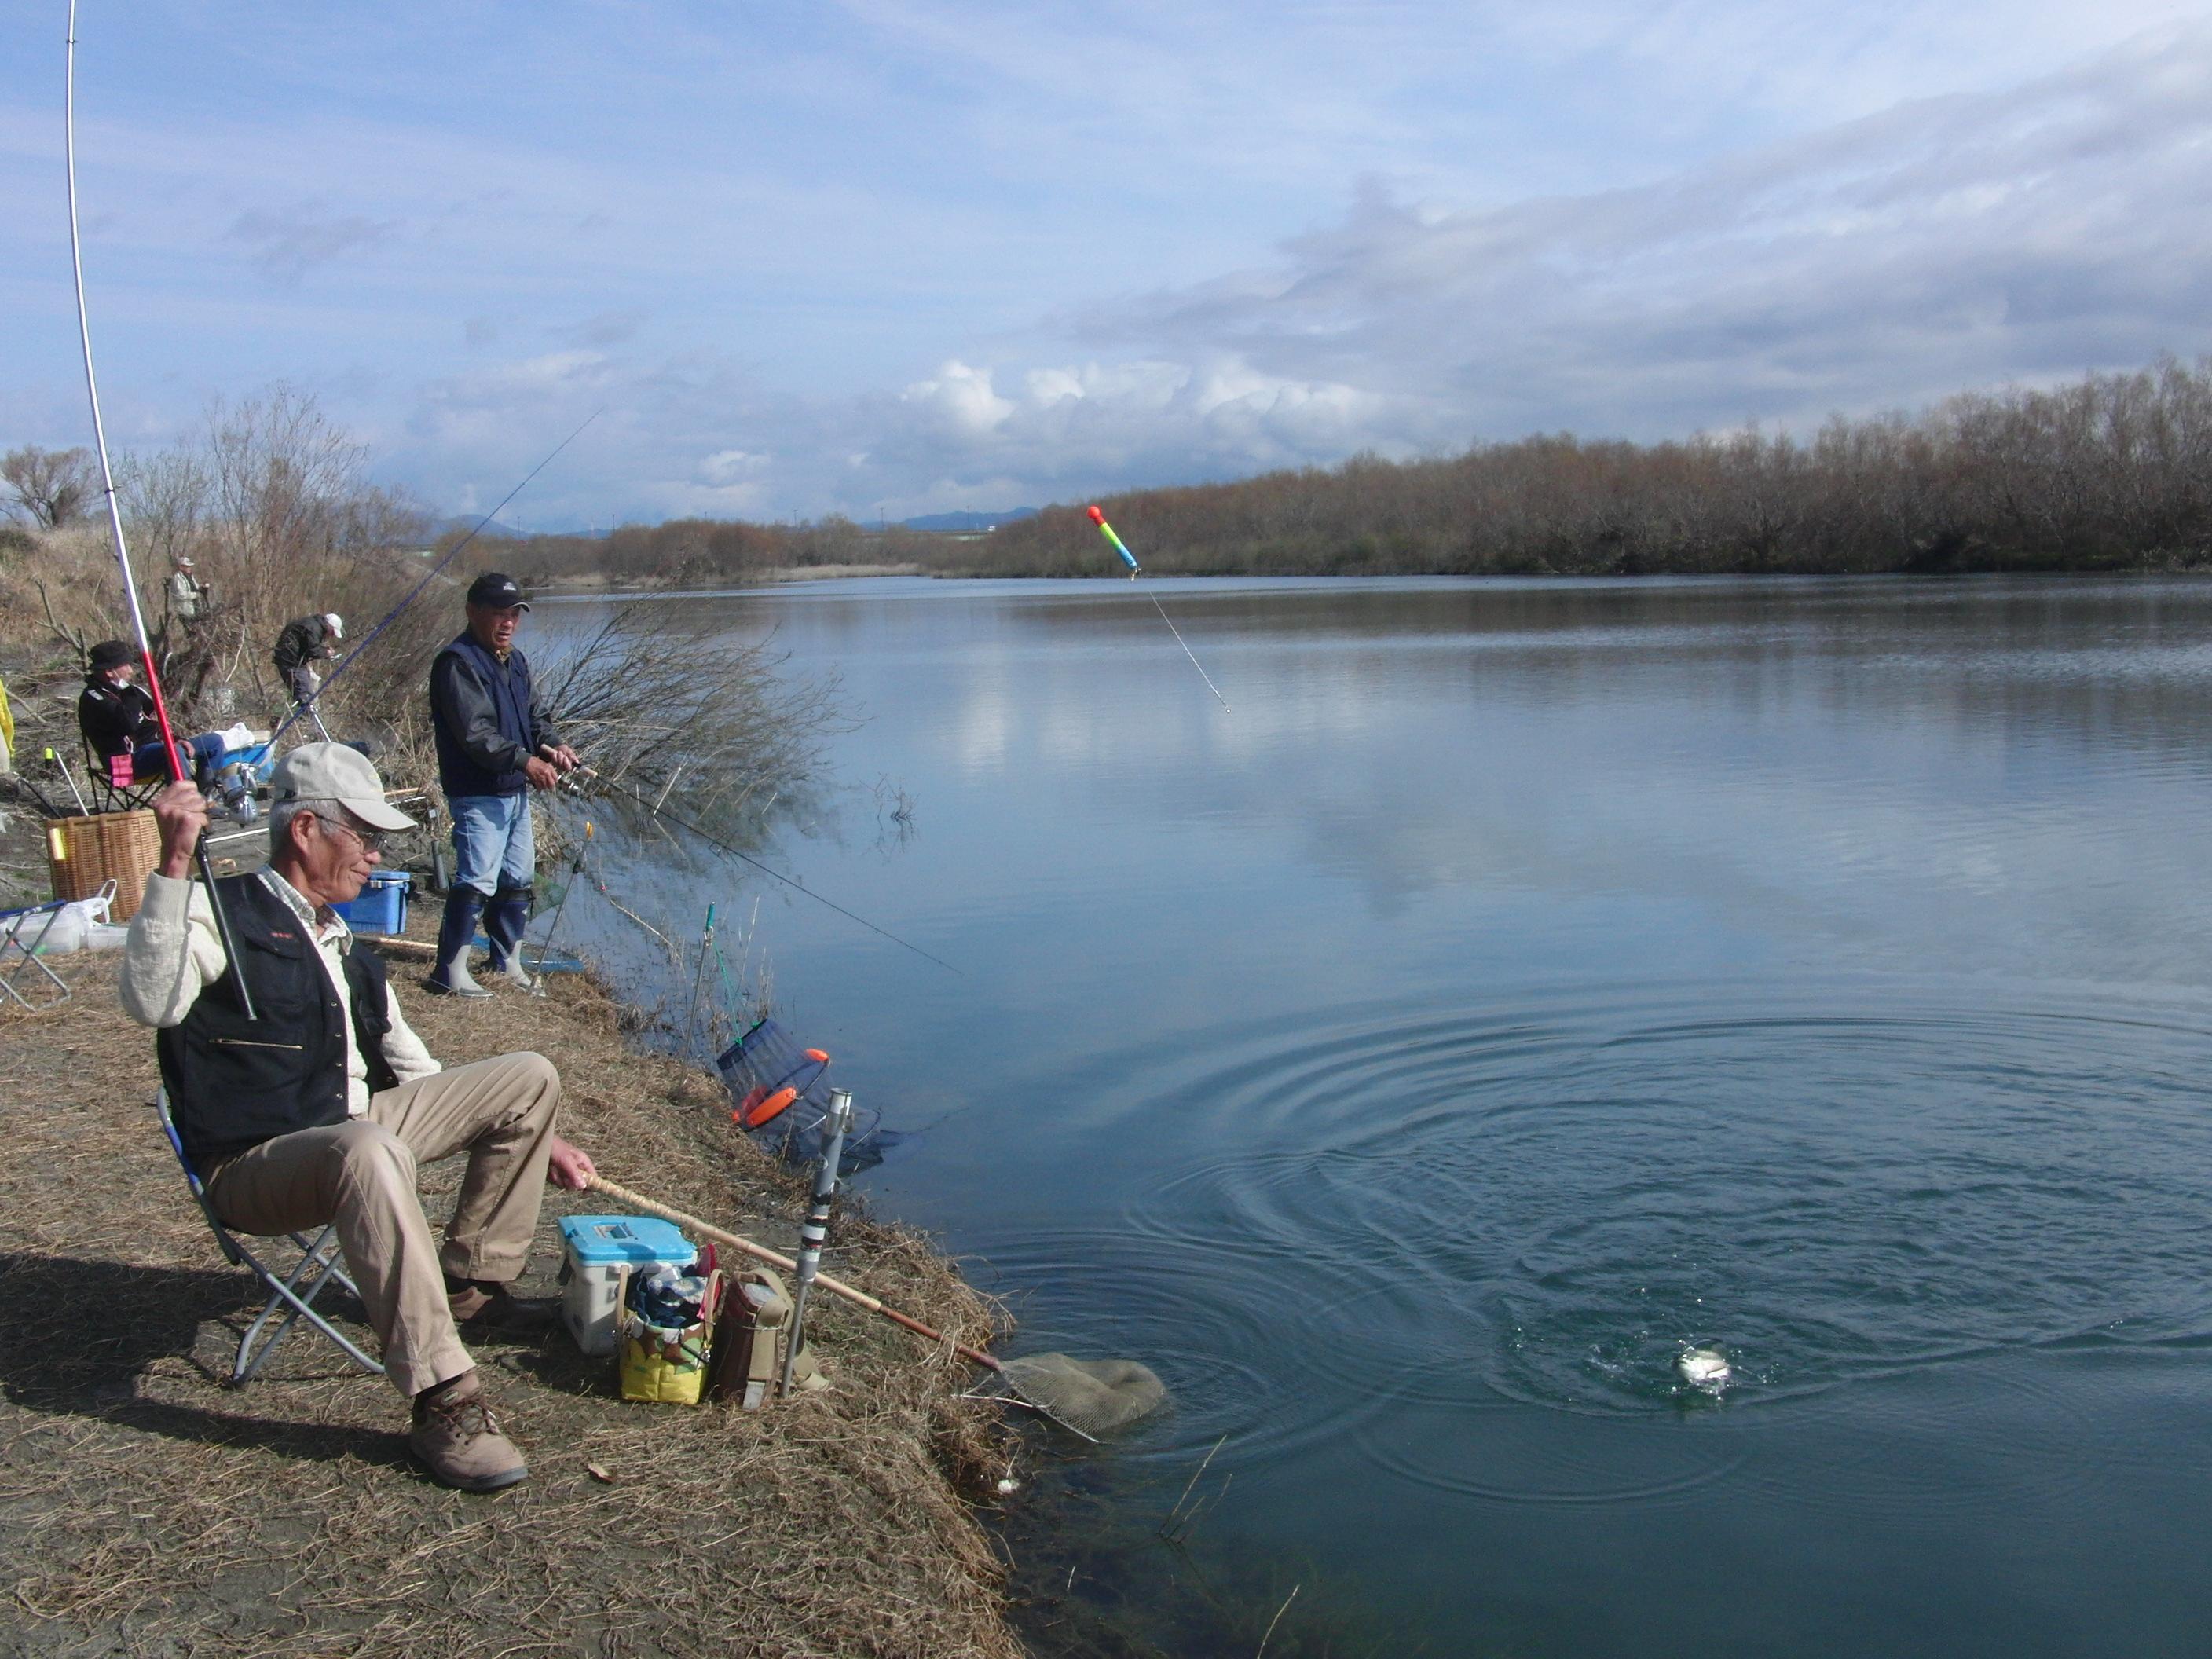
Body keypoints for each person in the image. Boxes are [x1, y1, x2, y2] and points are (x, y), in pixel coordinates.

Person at [119, 743, 597, 1492]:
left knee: (528, 1077)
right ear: (306, 828)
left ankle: (473, 1287)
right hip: (257, 1164)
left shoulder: (347, 940)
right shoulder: (219, 910)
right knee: (366, 1148)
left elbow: (417, 1072)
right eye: (365, 837)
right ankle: (445, 1401)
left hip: (358, 1130)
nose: (377, 856)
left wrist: (544, 1137)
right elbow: (151, 1002)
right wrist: (175, 865)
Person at [425, 573, 578, 996]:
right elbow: (476, 734)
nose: (508, 622)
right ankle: (449, 973)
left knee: (517, 876)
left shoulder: (514, 660)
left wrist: (554, 746)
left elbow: (535, 719)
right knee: (476, 880)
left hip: (513, 790)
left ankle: (506, 960)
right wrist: (526, 761)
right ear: (473, 612)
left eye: (514, 614)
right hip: (477, 790)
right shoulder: (458, 663)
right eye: (498, 613)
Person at [77, 639, 225, 785]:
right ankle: (186, 802)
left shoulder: (132, 692)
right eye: (126, 665)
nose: (131, 670)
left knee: (214, 742)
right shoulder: (94, 698)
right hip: (123, 764)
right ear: (110, 671)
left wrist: (177, 739)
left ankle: (206, 798)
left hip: (156, 749)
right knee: (173, 752)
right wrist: (128, 692)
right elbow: (130, 724)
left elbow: (154, 721)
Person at [273, 612, 344, 709]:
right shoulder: (314, 629)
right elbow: (312, 650)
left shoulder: (312, 624)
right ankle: (306, 716)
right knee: (305, 694)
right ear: (329, 626)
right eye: (332, 632)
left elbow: (308, 645)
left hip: (288, 658)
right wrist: (326, 653)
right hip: (291, 662)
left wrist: (323, 650)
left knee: (302, 689)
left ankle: (296, 714)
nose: (331, 635)